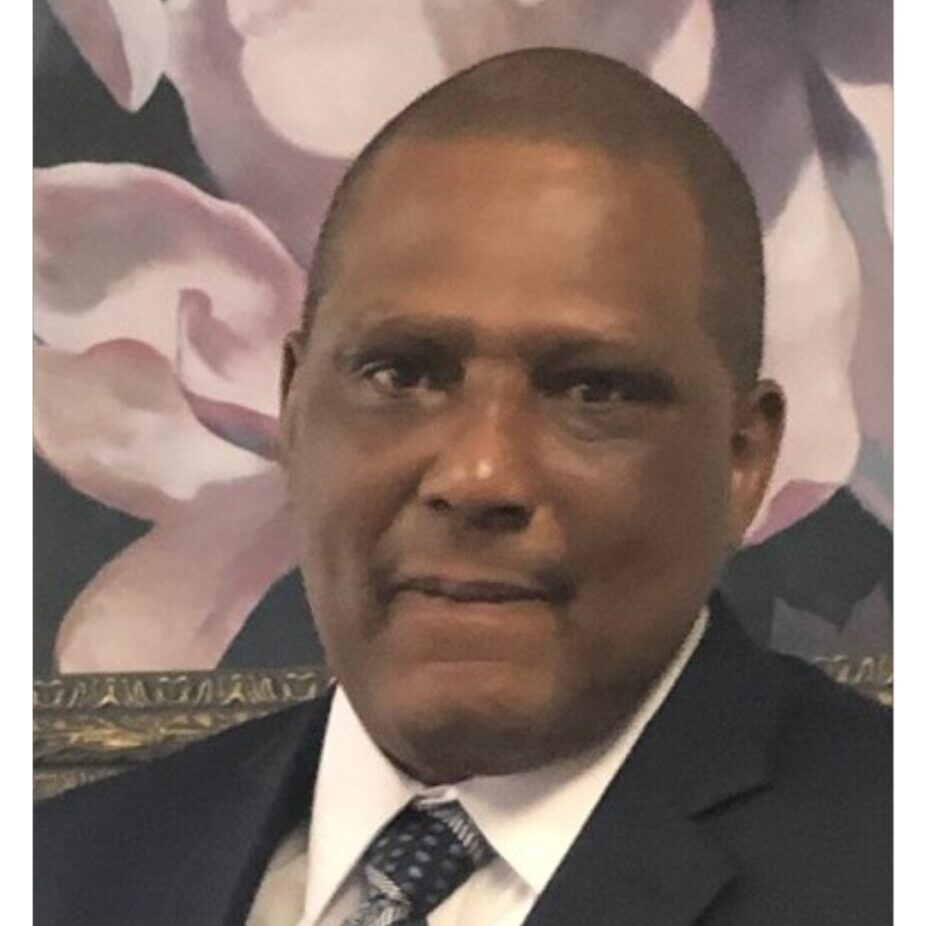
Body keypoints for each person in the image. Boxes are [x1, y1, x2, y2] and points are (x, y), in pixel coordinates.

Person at [35, 49, 891, 926]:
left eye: (591, 390)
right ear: (292, 409)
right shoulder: (63, 874)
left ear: (743, 458)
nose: (480, 474)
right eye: (402, 374)